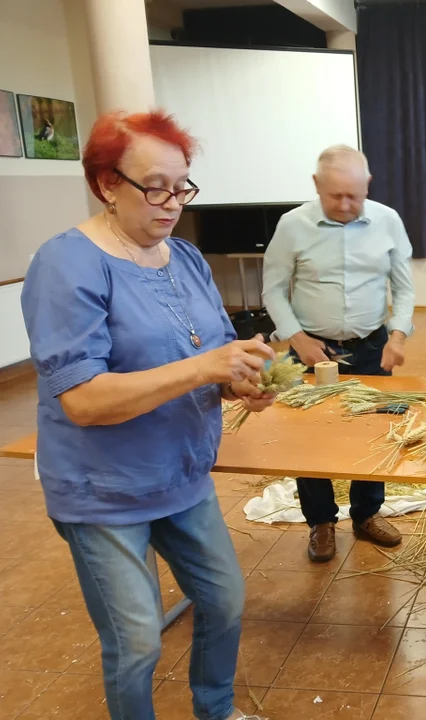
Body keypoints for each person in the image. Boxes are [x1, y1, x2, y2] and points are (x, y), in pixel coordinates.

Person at [20, 110, 274, 720]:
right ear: (106, 184)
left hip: (180, 475)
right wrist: (205, 368)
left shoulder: (184, 258)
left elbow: (208, 353)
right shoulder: (67, 264)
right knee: (136, 641)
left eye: (182, 187)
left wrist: (239, 382)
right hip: (104, 489)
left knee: (224, 601)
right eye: (155, 187)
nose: (172, 204)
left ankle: (216, 710)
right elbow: (83, 400)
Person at [262, 145, 415, 563]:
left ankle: (367, 514)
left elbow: (404, 288)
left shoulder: (387, 221)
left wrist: (398, 335)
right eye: (336, 196)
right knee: (308, 435)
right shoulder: (292, 225)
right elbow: (273, 290)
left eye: (354, 196)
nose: (346, 205)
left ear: (368, 185)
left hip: (371, 345)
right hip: (310, 347)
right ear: (316, 185)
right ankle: (320, 521)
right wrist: (297, 339)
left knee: (373, 429)